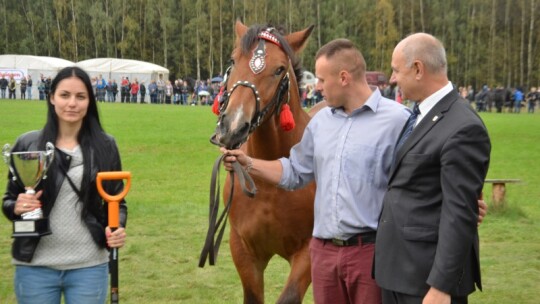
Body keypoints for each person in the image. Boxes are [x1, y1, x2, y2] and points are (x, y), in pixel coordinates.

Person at [221, 38, 410, 304]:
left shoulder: (398, 120)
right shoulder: (320, 122)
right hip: (324, 254)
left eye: (321, 79)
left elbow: (421, 175)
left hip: (368, 252)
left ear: (343, 78)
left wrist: (465, 200)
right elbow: (295, 170)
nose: (316, 86)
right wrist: (247, 162)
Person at [374, 33, 491, 304]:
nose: (392, 79)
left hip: (426, 282)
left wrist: (441, 286)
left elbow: (459, 213)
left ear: (418, 69)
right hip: (398, 272)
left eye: (395, 70)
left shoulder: (463, 127)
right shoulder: (421, 114)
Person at [2, 66, 128, 304]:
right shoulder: (28, 144)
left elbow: (117, 201)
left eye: (80, 97)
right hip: (34, 267)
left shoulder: (105, 145)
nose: (72, 103)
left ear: (90, 101)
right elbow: (9, 202)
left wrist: (118, 227)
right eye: (64, 95)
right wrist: (17, 206)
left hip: (89, 266)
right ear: (51, 98)